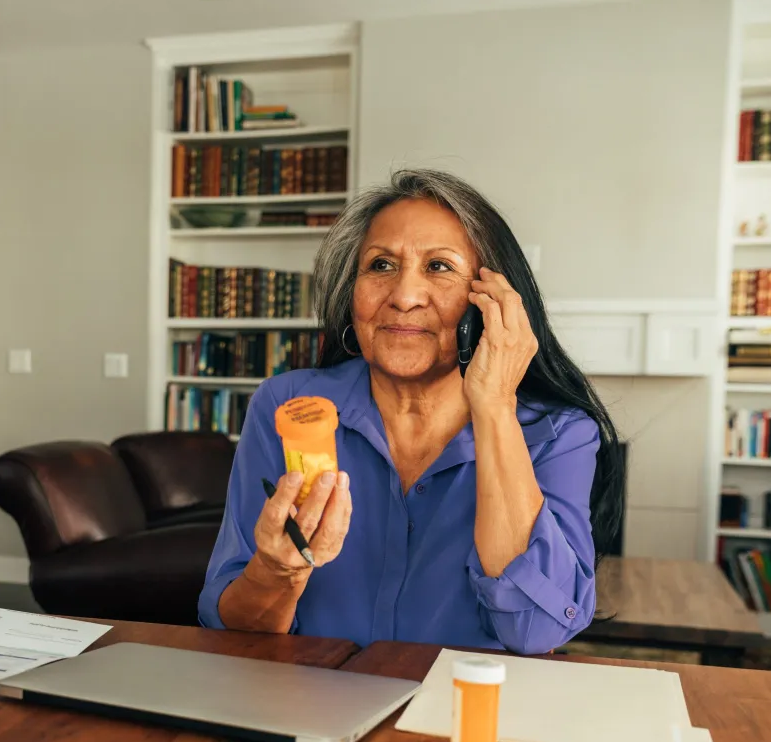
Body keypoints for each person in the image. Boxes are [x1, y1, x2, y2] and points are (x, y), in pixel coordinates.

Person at [199, 169, 624, 652]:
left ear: (492, 302)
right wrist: (277, 572)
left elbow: (536, 630)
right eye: (380, 266)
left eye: (439, 267)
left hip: (463, 715)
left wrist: (494, 406)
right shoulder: (288, 406)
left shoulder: (559, 433)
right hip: (312, 707)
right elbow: (232, 627)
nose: (403, 297)